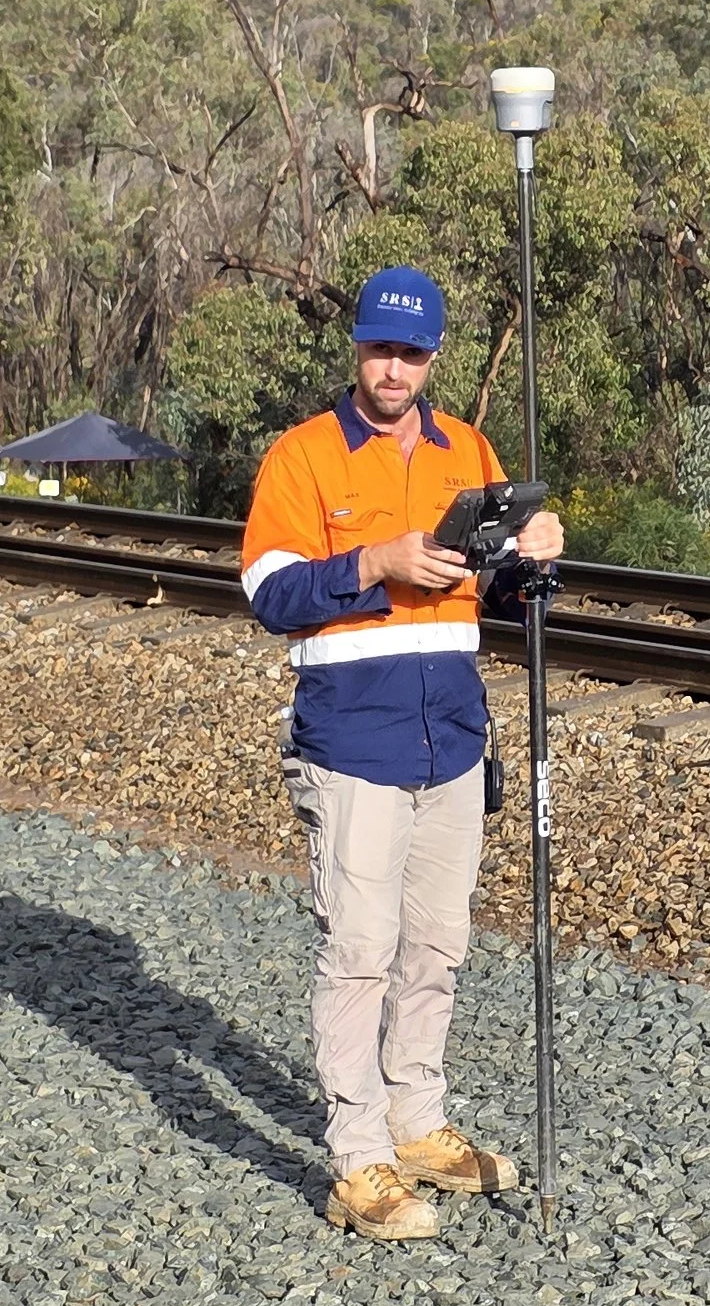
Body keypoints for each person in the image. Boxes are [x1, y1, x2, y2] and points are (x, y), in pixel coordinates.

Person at [239, 268, 566, 1240]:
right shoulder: (302, 459)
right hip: (351, 743)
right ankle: (360, 1160)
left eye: (412, 353)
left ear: (433, 357)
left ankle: (417, 1123)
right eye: (380, 349)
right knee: (359, 954)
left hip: (452, 742)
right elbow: (269, 594)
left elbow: (508, 600)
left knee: (437, 948)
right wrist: (376, 563)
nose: (394, 368)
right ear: (357, 348)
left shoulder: (467, 451)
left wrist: (538, 560)